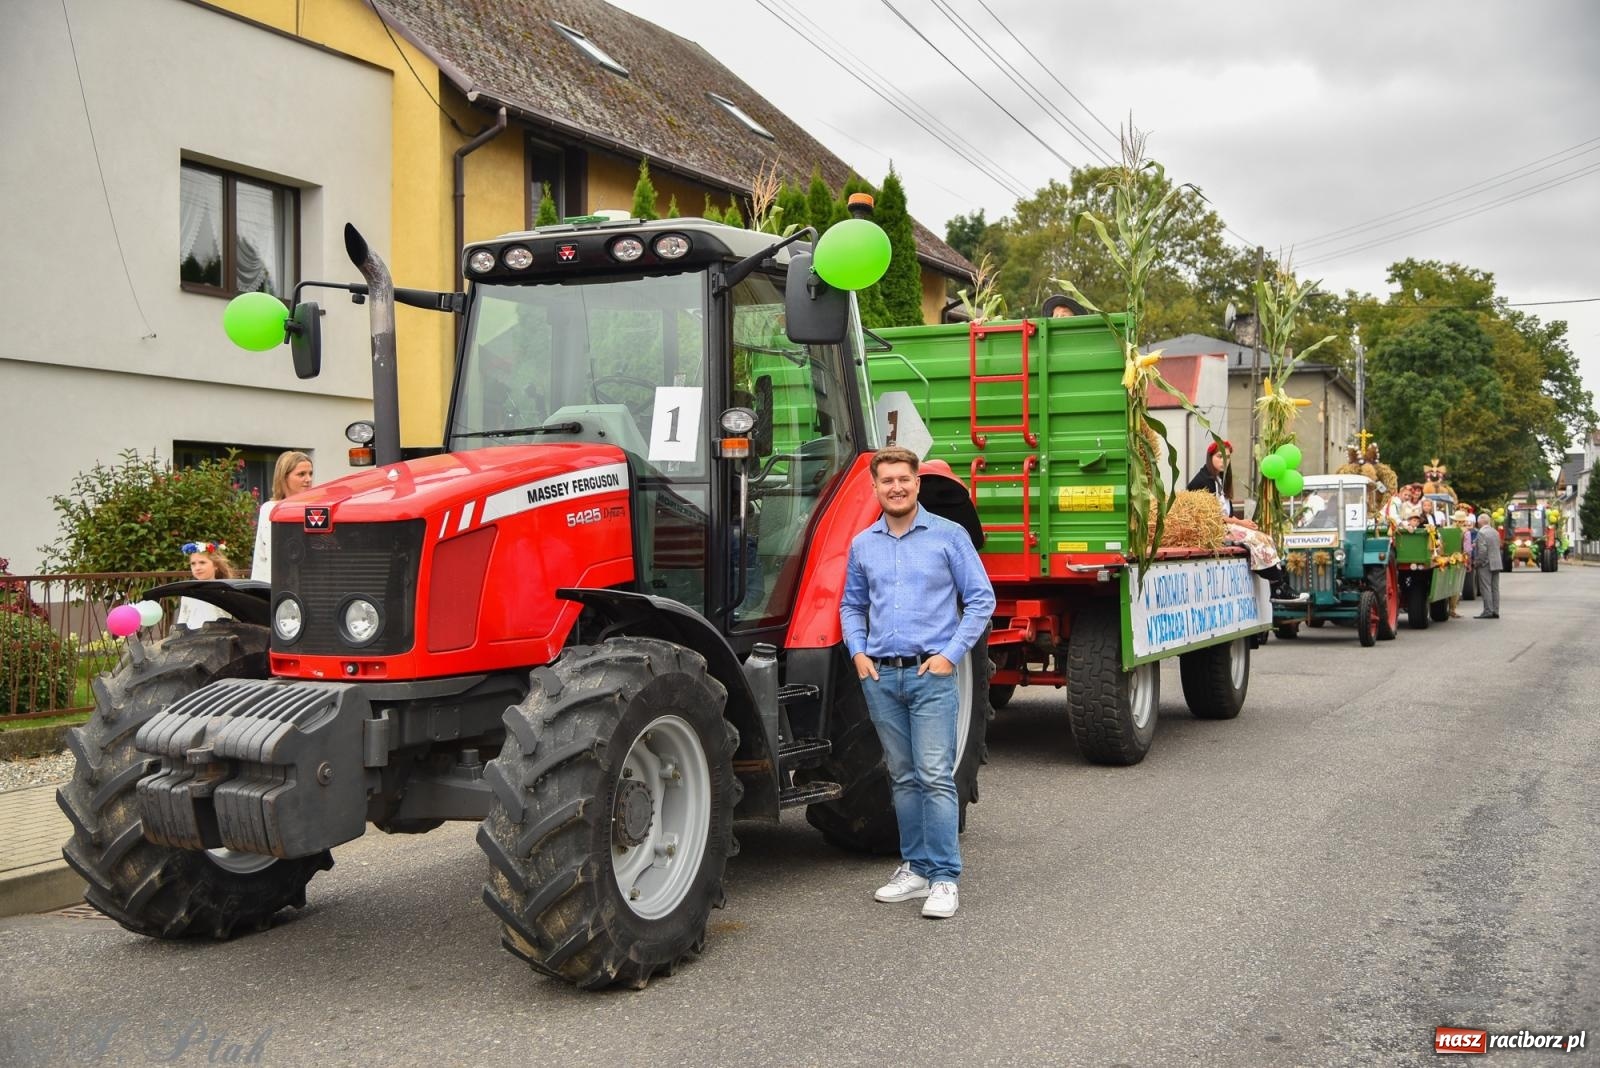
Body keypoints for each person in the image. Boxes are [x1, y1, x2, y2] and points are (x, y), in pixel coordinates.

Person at [841, 445, 995, 920]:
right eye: (886, 481)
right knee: (903, 776)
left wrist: (951, 656)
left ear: (917, 482)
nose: (896, 487)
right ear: (875, 488)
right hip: (882, 675)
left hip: (931, 674)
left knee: (934, 776)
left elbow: (981, 600)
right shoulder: (864, 543)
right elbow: (851, 604)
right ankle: (916, 868)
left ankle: (945, 877)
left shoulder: (948, 537)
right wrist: (859, 653)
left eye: (903, 479)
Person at [1187, 441, 1302, 601]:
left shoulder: (1220, 479)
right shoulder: (1201, 482)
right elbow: (1209, 516)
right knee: (1257, 539)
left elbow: (1225, 511)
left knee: (1265, 537)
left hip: (1228, 525)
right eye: (1220, 457)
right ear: (1210, 457)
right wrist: (1240, 523)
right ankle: (1276, 584)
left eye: (1227, 457)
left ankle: (1279, 584)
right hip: (1213, 530)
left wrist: (1242, 522)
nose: (1224, 461)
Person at [252, 451, 314, 581]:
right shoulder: (271, 508)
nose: (308, 479)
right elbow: (273, 554)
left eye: (310, 473)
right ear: (284, 477)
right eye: (301, 474)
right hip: (276, 585)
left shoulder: (315, 508)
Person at [176, 541, 236, 630]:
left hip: (216, 638)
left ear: (215, 565)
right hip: (190, 640)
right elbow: (182, 621)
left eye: (202, 562)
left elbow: (227, 621)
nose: (197, 568)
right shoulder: (188, 592)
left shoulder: (224, 590)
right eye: (193, 564)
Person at [1472, 513, 1502, 619]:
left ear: (1480, 522)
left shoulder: (1481, 533)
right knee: (1495, 588)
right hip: (1497, 562)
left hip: (1486, 564)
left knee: (1486, 587)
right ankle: (1495, 610)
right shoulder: (1495, 532)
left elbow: (1483, 550)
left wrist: (1478, 562)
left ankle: (1488, 611)